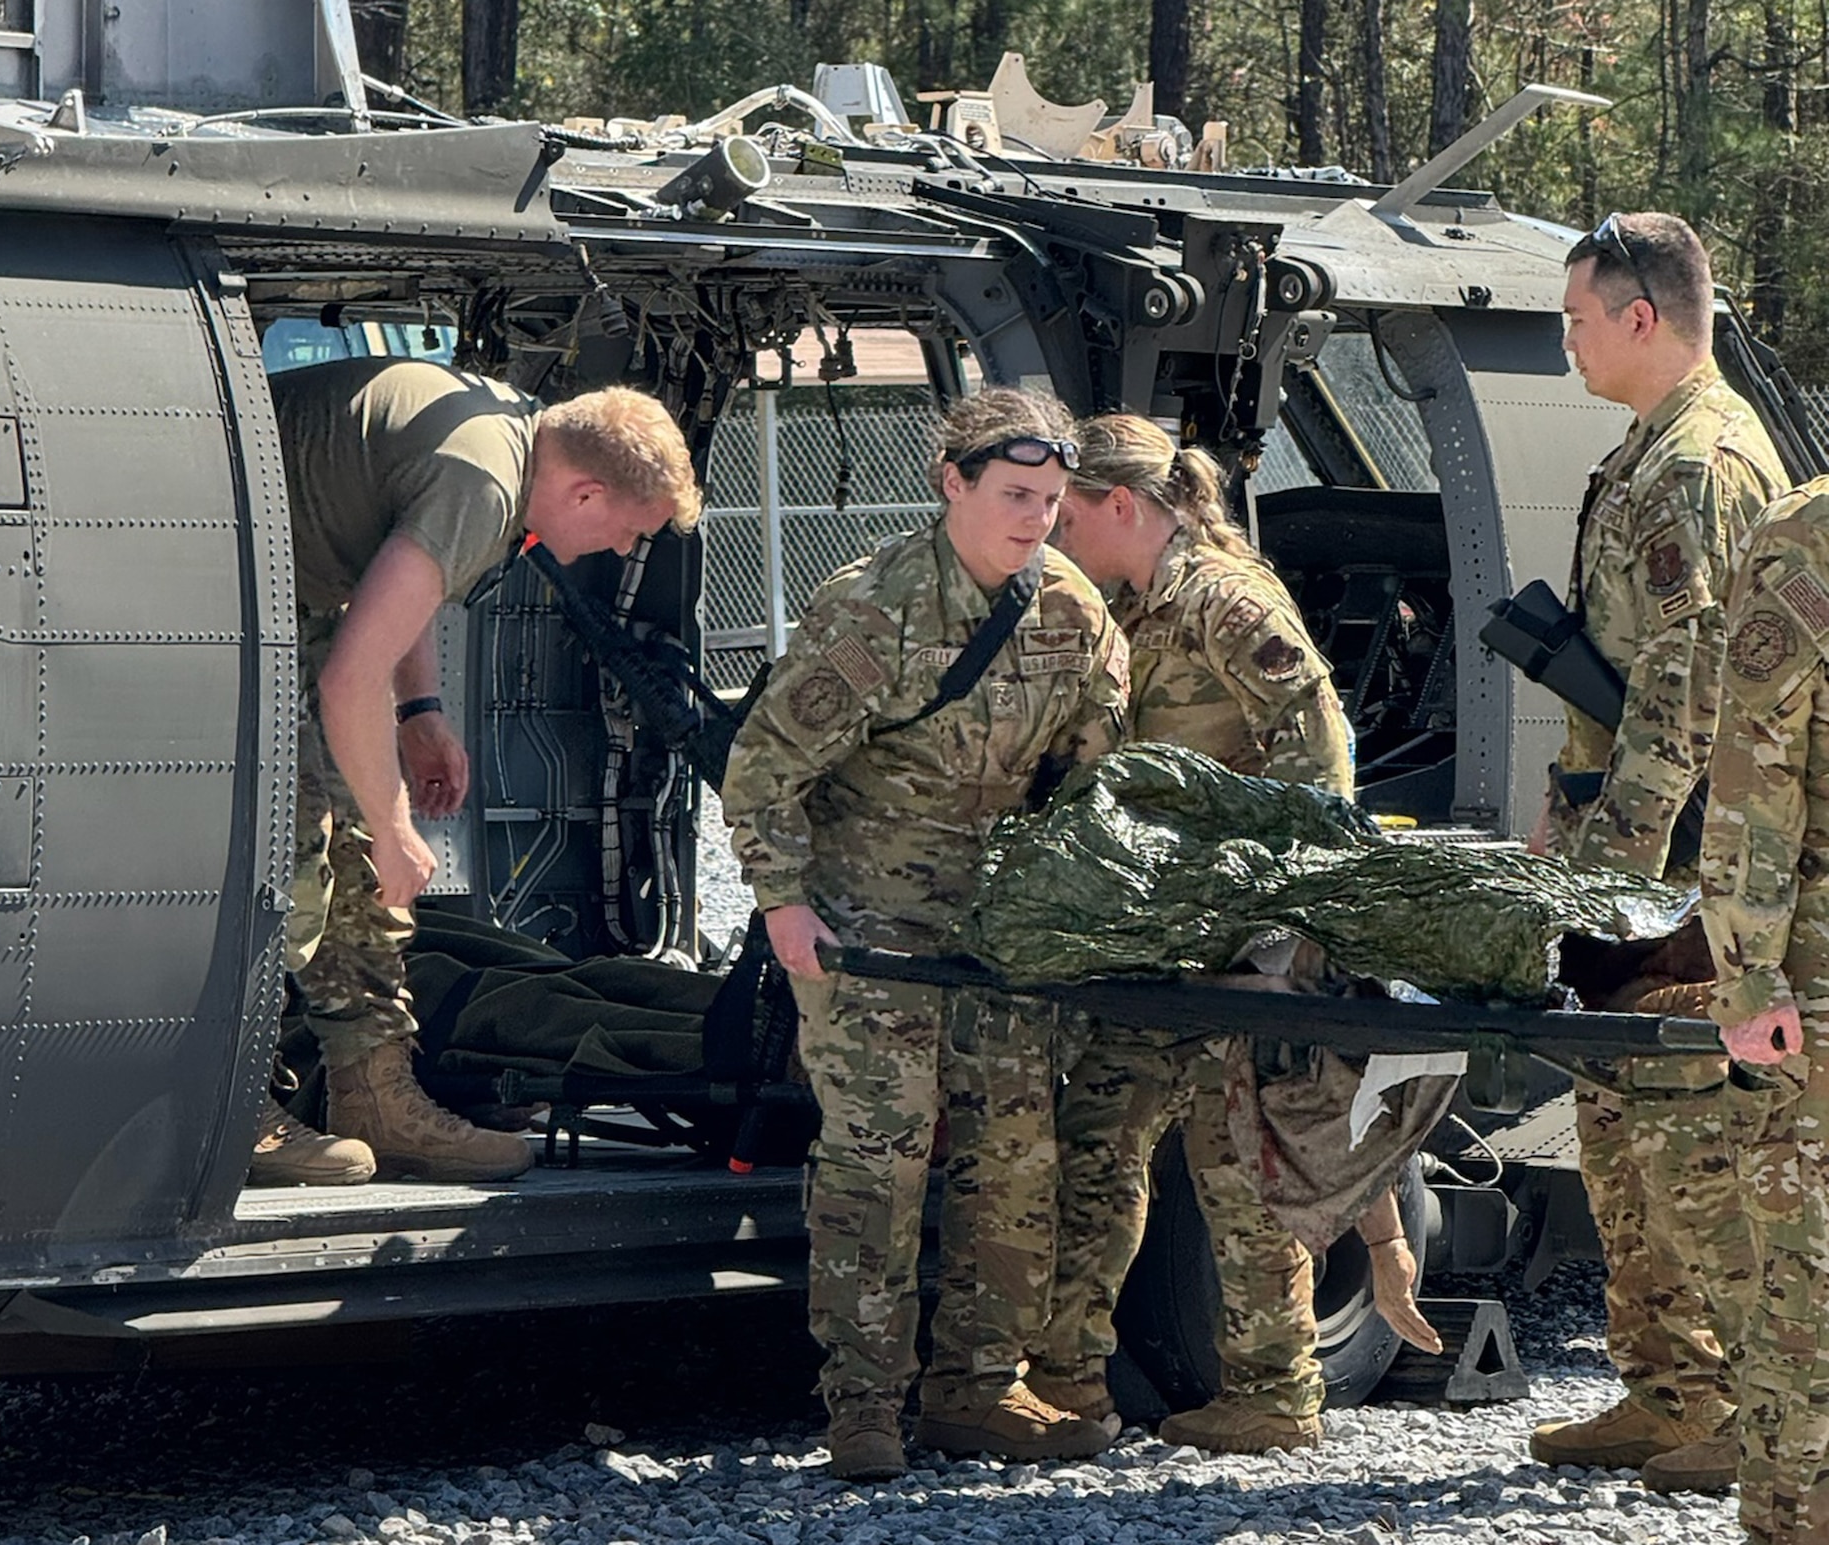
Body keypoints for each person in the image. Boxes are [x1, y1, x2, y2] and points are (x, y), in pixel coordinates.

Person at [721, 388, 1130, 1482]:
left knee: (1012, 1155)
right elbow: (762, 774)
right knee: (881, 1157)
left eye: (1049, 499)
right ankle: (861, 1405)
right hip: (865, 922)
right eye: (1012, 495)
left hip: (1000, 926)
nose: (1034, 518)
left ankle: (974, 1391)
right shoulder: (875, 608)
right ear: (951, 484)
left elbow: (1092, 785)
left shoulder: (1073, 616)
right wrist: (783, 905)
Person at [1030, 412, 1440, 1456]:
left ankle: (1271, 1391)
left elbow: (1318, 751)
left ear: (1120, 505)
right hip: (1163, 928)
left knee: (1234, 1156)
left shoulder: (1223, 600)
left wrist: (1280, 925)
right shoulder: (1129, 606)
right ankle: (1068, 1377)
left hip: (1239, 937)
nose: (1053, 532)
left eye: (1068, 513)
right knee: (1099, 1135)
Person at [256, 357, 701, 1187]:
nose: (623, 548)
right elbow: (349, 680)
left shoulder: (517, 437)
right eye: (630, 530)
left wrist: (420, 709)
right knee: (280, 855)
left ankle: (375, 1098)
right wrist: (394, 830)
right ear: (584, 496)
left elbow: (392, 575)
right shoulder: (483, 480)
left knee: (355, 853)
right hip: (218, 591)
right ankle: (234, 1110)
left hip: (293, 588)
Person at [1524, 212, 1785, 1493]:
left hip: (1677, 859)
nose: (1563, 338)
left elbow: (1687, 686)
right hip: (1622, 836)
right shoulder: (1647, 451)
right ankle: (1665, 1386)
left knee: (1694, 1142)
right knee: (1618, 1130)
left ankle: (1744, 1401)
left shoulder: (1699, 464)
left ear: (1638, 317)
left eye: (1575, 315)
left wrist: (1611, 867)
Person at [1701, 476, 1829, 1545]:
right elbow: (1751, 776)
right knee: (1805, 1286)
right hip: (1817, 986)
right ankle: (1791, 1517)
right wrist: (1747, 982)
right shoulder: (1807, 539)